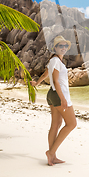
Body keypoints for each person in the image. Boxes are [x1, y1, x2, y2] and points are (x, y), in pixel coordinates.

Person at [31, 35, 77, 166]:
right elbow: (56, 80)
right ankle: (51, 152)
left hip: (51, 94)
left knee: (56, 124)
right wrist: (63, 99)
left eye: (65, 46)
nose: (63, 48)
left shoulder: (53, 61)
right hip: (58, 94)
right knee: (71, 124)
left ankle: (52, 156)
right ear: (55, 48)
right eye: (60, 46)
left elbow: (46, 74)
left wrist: (37, 83)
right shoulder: (56, 61)